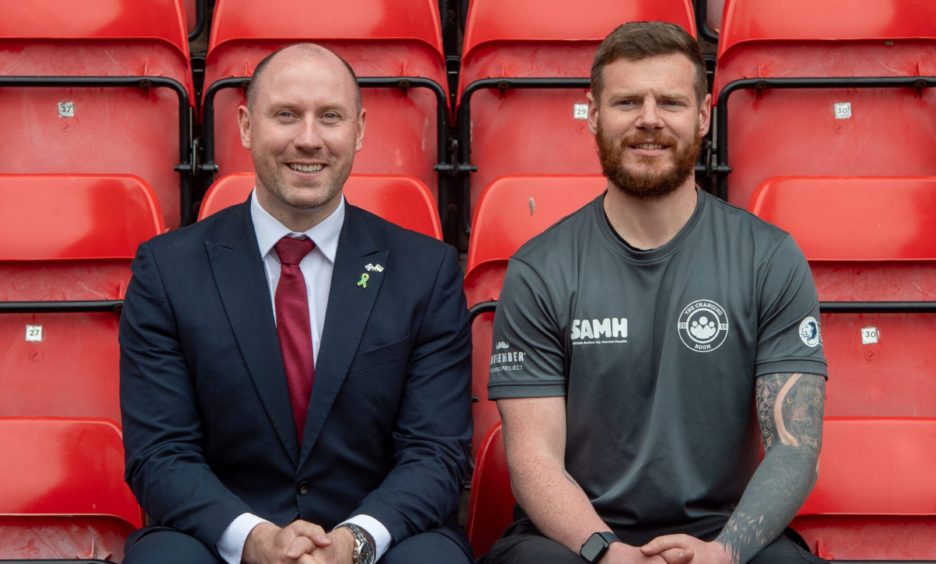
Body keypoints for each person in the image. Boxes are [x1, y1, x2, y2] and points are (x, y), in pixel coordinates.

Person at [483, 22, 827, 564]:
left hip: (722, 531)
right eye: (627, 101)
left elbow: (795, 448)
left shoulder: (767, 258)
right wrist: (606, 550)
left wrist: (726, 552)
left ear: (705, 115)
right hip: (577, 537)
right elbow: (532, 458)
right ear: (593, 114)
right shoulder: (541, 269)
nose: (649, 119)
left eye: (670, 101)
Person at [119, 43, 473, 564]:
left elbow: (436, 453)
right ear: (244, 126)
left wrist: (355, 541)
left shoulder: (426, 271)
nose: (308, 139)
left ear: (359, 130)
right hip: (224, 541)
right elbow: (160, 453)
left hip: (374, 540)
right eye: (286, 115)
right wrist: (255, 539)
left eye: (329, 117)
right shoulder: (168, 271)